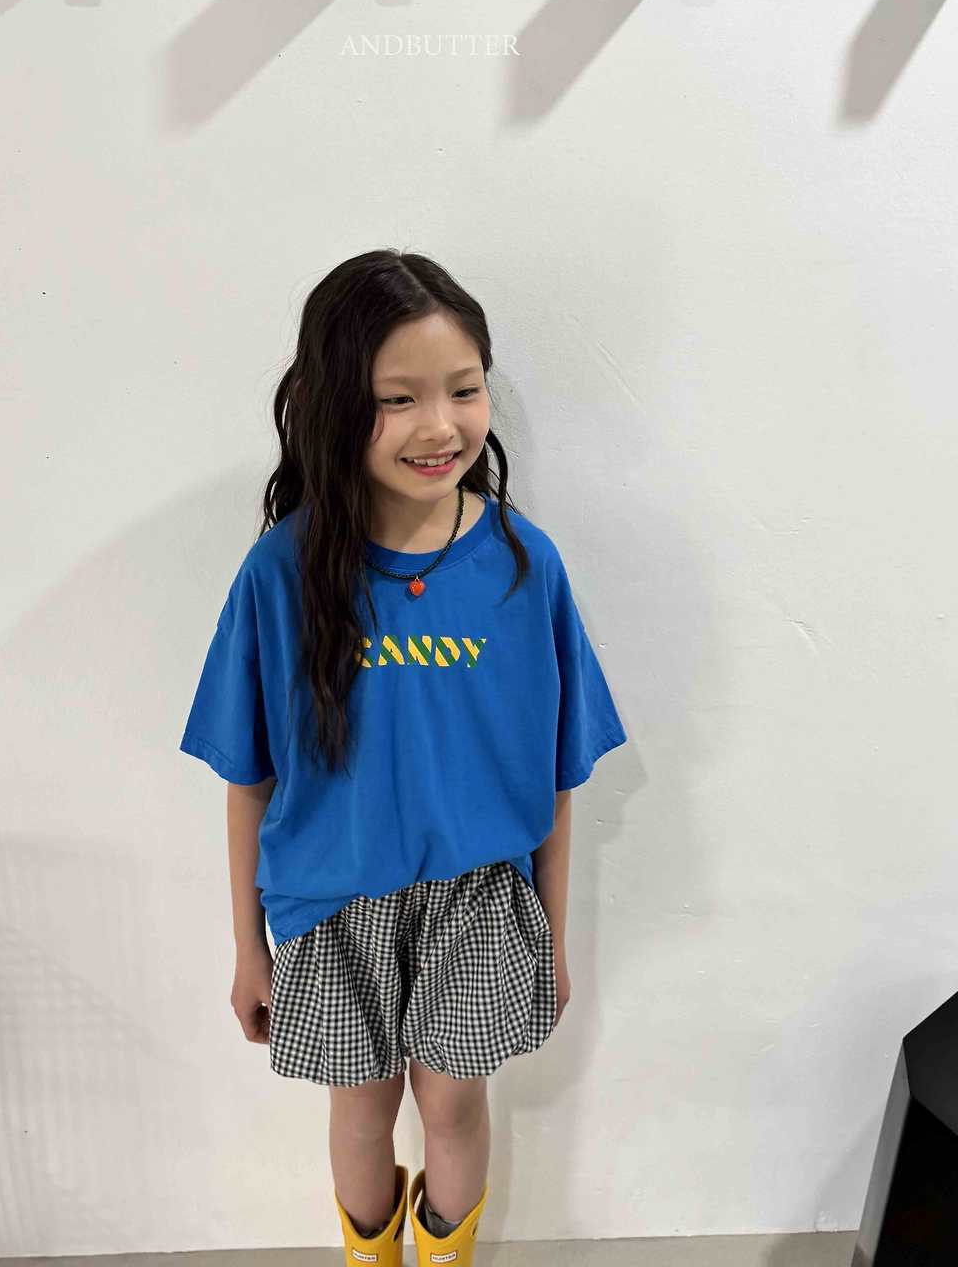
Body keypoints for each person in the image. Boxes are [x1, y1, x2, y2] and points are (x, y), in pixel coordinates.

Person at [179, 249, 629, 1266]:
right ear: (335, 404)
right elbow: (247, 777)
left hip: (482, 901)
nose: (439, 426)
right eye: (398, 399)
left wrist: (552, 938)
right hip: (331, 903)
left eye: (463, 389)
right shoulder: (282, 571)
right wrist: (248, 948)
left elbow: (556, 778)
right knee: (360, 1110)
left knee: (453, 1103)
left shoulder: (524, 564)